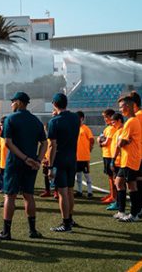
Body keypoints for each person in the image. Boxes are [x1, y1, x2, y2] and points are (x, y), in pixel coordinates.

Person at [0, 92, 47, 240]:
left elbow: (8, 143)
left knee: (10, 196)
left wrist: (24, 158)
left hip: (15, 163)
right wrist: (37, 160)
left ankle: (6, 232)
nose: (11, 104)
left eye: (12, 101)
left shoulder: (10, 119)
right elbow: (44, 143)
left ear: (18, 102)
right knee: (28, 195)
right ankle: (32, 230)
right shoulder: (36, 121)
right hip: (31, 164)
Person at [47, 93, 80, 232]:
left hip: (60, 159)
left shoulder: (54, 122)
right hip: (72, 158)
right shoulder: (75, 118)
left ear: (54, 104)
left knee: (62, 192)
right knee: (70, 191)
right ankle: (70, 219)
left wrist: (50, 166)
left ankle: (66, 224)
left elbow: (52, 145)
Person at [112, 96, 142, 222]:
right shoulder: (131, 121)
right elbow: (123, 141)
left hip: (130, 158)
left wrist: (122, 141)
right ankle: (121, 211)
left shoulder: (131, 122)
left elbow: (121, 143)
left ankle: (134, 214)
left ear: (128, 106)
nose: (120, 109)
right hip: (125, 158)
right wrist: (123, 141)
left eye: (121, 106)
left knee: (132, 185)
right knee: (118, 182)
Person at [130, 91, 142, 217]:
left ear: (134, 104)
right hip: (141, 149)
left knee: (138, 179)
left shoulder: (139, 115)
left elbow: (134, 134)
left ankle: (141, 206)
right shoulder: (141, 114)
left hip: (139, 151)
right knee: (140, 178)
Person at [106, 113, 124, 211]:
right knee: (117, 182)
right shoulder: (117, 131)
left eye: (114, 122)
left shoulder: (122, 131)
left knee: (120, 184)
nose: (112, 124)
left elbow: (119, 146)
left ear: (119, 120)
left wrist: (113, 160)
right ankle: (118, 202)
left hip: (120, 161)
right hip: (116, 161)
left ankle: (119, 204)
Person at [98, 109, 117, 204]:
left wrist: (101, 142)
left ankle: (114, 196)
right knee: (110, 176)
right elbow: (101, 138)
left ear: (110, 117)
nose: (105, 119)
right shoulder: (107, 128)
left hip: (110, 155)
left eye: (106, 117)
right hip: (106, 154)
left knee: (112, 177)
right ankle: (111, 194)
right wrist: (101, 141)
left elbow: (106, 142)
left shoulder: (112, 128)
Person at [75, 111, 94, 198]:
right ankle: (79, 191)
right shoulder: (74, 128)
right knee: (78, 175)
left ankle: (90, 191)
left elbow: (91, 140)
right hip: (76, 157)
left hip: (84, 157)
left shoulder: (85, 128)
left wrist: (89, 149)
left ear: (82, 118)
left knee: (87, 175)